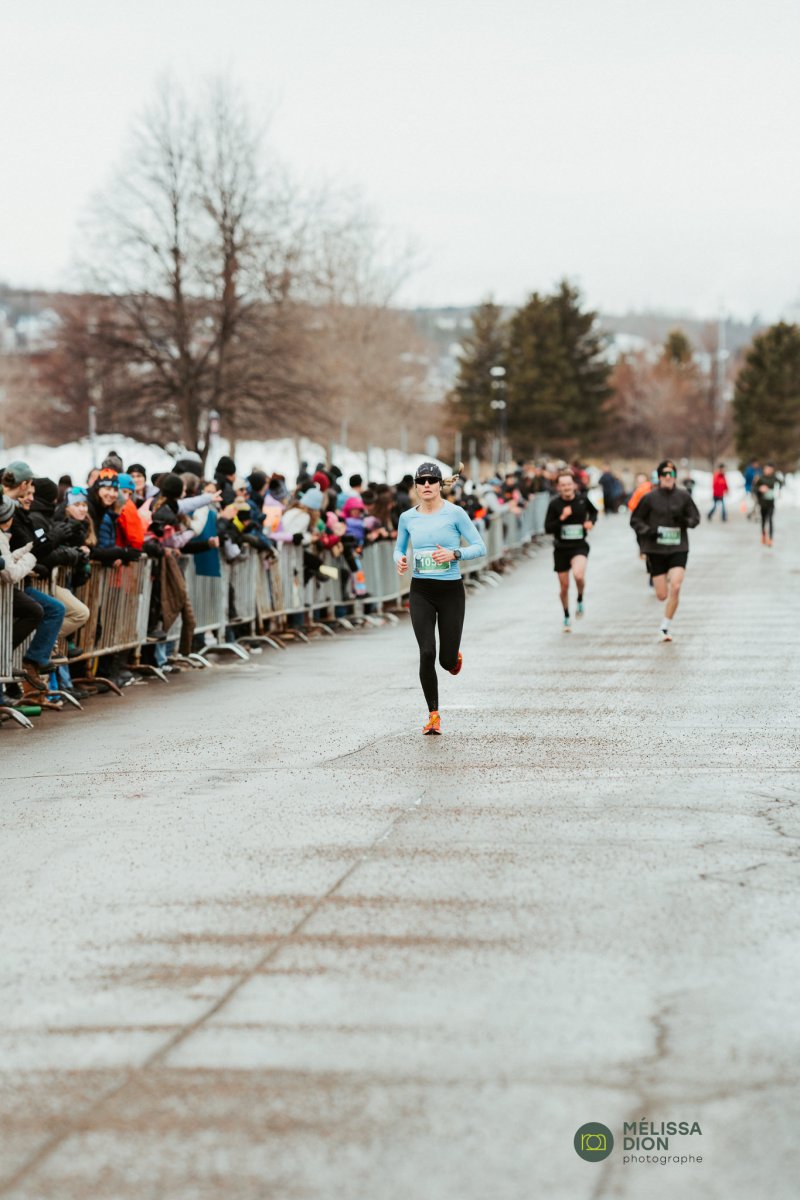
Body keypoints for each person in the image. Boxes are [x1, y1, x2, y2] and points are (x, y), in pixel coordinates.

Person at [394, 462, 486, 735]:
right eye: (421, 481)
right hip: (421, 591)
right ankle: (433, 715)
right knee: (426, 652)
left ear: (439, 485)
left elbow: (480, 547)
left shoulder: (455, 513)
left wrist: (455, 554)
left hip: (450, 592)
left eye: (431, 481)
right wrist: (400, 559)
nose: (426, 485)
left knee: (446, 661)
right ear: (415, 486)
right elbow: (399, 548)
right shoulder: (407, 517)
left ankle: (453, 656)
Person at [630, 459, 700, 643]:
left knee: (676, 587)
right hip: (656, 550)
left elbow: (695, 518)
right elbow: (635, 520)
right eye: (665, 475)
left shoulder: (683, 496)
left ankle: (665, 626)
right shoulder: (649, 498)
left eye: (672, 474)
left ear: (675, 476)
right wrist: (648, 531)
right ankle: (665, 580)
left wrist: (685, 521)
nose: (668, 477)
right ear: (659, 477)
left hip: (678, 547)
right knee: (662, 595)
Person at [544, 469, 598, 632]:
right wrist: (562, 518)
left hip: (579, 545)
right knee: (564, 586)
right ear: (558, 487)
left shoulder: (582, 500)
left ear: (574, 485)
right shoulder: (554, 504)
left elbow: (594, 512)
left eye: (569, 484)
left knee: (578, 575)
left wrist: (591, 522)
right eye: (563, 485)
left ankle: (580, 598)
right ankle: (566, 616)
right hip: (561, 548)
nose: (566, 487)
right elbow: (547, 528)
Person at [752, 462, 782, 546]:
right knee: (763, 520)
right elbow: (754, 488)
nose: (768, 470)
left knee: (771, 520)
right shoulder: (760, 478)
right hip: (762, 503)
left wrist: (779, 490)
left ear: (772, 470)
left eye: (770, 469)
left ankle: (771, 538)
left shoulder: (774, 478)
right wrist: (760, 488)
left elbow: (781, 483)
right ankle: (763, 535)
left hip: (771, 503)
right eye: (766, 469)